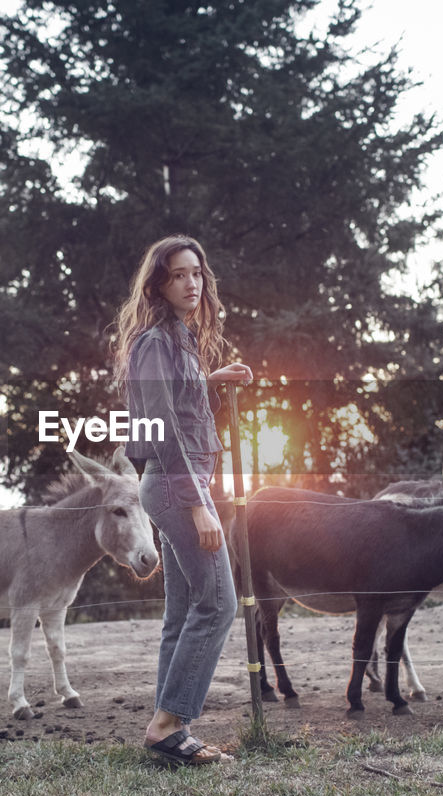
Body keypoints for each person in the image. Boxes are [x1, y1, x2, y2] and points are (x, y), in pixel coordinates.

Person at [113, 234, 253, 765]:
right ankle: (168, 725)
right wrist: (198, 504)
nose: (191, 283)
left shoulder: (179, 340)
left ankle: (169, 725)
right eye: (178, 274)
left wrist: (211, 378)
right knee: (218, 603)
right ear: (159, 283)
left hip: (180, 483)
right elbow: (163, 425)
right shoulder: (155, 342)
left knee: (182, 613)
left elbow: (177, 399)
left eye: (196, 273)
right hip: (178, 486)